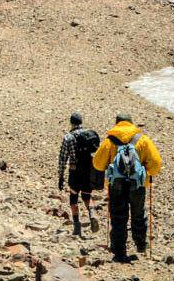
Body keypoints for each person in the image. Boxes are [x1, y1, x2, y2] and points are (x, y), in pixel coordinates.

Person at [92, 113, 162, 264]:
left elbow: (97, 163)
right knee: (138, 213)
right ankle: (141, 245)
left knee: (118, 217)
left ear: (117, 123)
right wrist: (146, 175)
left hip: (116, 185)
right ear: (131, 123)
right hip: (138, 185)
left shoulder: (110, 140)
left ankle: (119, 251)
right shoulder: (142, 139)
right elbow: (156, 163)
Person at [58, 112, 101, 236]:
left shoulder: (68, 137)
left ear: (71, 123)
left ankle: (77, 227)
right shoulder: (89, 135)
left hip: (75, 171)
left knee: (73, 197)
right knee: (87, 195)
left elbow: (62, 158)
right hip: (89, 170)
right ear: (81, 122)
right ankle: (92, 213)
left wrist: (60, 176)